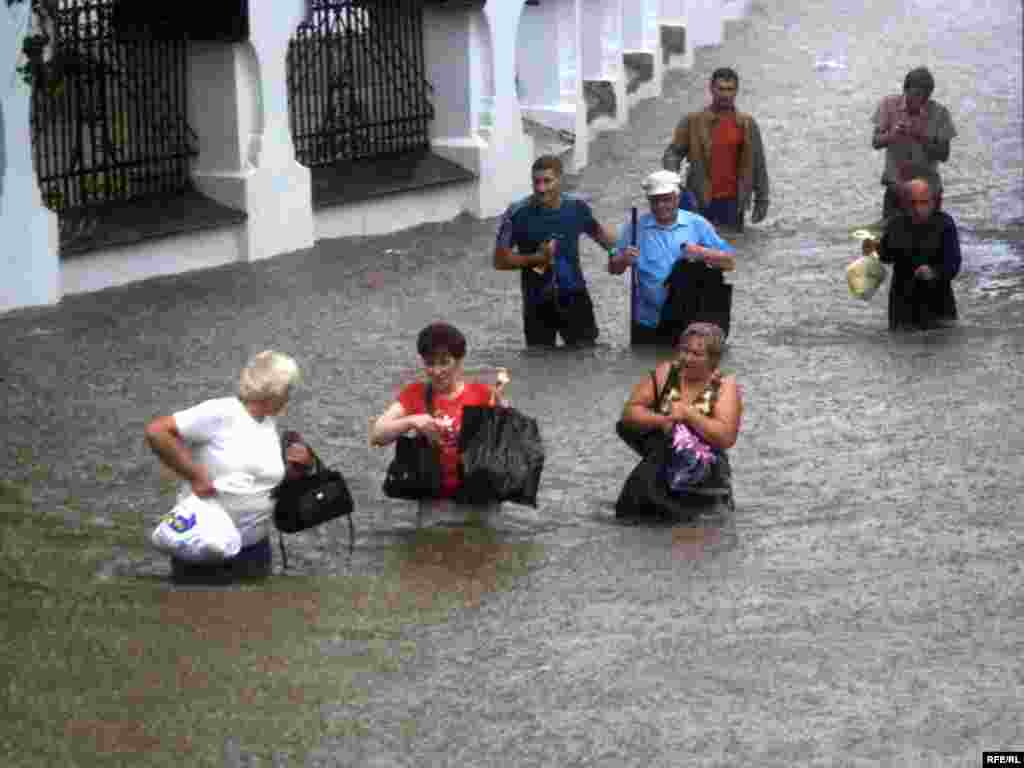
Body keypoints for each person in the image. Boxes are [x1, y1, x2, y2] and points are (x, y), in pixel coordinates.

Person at [144, 351, 312, 583]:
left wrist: (297, 469)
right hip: (205, 542)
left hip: (254, 548)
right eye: (289, 390)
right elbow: (157, 432)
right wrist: (195, 475)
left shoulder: (268, 423)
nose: (290, 397)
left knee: (258, 615)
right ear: (275, 391)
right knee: (198, 614)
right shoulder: (221, 412)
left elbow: (259, 481)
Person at [615, 323, 743, 518]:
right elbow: (630, 413)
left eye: (697, 354)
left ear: (713, 359)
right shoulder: (666, 373)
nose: (687, 358)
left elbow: (726, 437)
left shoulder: (724, 385)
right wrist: (662, 420)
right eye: (684, 351)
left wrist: (689, 415)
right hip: (662, 461)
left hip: (706, 472)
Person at [370, 323, 506, 506]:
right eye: (429, 363)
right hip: (434, 502)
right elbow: (377, 435)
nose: (436, 371)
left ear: (459, 361)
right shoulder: (415, 393)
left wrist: (502, 410)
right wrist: (413, 421)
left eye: (444, 362)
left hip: (479, 502)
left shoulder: (483, 394)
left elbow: (505, 450)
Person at [494, 155, 619, 347]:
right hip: (537, 302)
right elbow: (500, 260)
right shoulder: (516, 213)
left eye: (547, 181)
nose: (541, 188)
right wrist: (538, 258)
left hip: (575, 296)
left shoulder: (577, 208)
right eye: (536, 182)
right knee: (541, 364)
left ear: (560, 180)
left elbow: (603, 238)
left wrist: (621, 254)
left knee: (586, 359)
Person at [609, 170, 736, 345]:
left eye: (666, 199)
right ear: (649, 201)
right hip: (649, 322)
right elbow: (613, 268)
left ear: (677, 198)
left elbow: (729, 261)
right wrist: (623, 259)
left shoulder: (697, 224)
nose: (661, 205)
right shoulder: (635, 228)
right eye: (655, 200)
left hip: (690, 323)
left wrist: (702, 252)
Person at [662, 67, 770, 232]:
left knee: (733, 249)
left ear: (736, 91)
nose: (725, 94)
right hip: (700, 201)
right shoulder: (693, 122)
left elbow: (759, 165)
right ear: (711, 89)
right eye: (721, 89)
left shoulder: (747, 124)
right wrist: (674, 180)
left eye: (730, 89)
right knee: (700, 251)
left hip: (734, 203)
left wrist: (762, 201)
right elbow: (673, 153)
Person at [865, 173, 961, 330]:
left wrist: (933, 272)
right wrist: (873, 249)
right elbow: (887, 255)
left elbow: (954, 264)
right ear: (905, 204)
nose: (918, 209)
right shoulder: (896, 225)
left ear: (932, 202)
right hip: (903, 308)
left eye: (923, 203)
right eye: (913, 203)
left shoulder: (945, 224)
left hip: (939, 308)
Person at [871, 67, 957, 225]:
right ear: (905, 90)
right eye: (917, 94)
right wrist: (893, 135)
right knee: (890, 239)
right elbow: (876, 142)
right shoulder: (888, 105)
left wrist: (920, 136)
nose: (921, 100)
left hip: (928, 192)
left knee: (928, 242)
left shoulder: (940, 113)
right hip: (897, 188)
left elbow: (944, 155)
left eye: (926, 96)